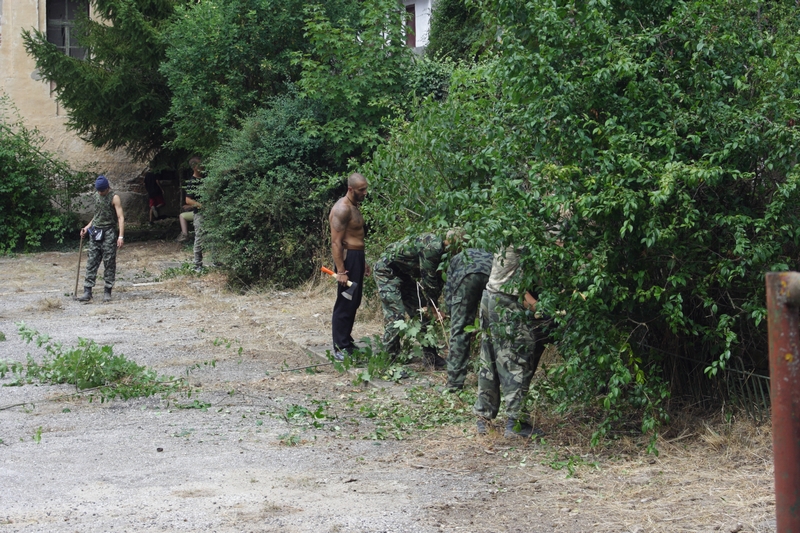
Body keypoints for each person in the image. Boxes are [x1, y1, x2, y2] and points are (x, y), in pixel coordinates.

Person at [473, 246, 552, 439]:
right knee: (516, 360)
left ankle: (483, 418)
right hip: (508, 301)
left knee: (489, 360)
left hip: (490, 295)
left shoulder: (510, 228)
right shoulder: (529, 238)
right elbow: (521, 290)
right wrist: (543, 309)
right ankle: (516, 424)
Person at [373, 232, 447, 368]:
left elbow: (439, 279)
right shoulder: (433, 247)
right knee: (396, 316)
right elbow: (429, 280)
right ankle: (389, 363)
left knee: (422, 311)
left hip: (404, 274)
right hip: (387, 271)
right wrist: (433, 307)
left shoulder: (446, 253)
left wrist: (432, 308)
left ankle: (431, 358)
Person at [329, 173, 370, 361]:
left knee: (354, 301)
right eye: (361, 190)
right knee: (345, 302)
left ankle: (346, 341)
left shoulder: (354, 207)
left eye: (366, 188)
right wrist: (341, 270)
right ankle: (339, 347)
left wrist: (363, 262)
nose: (365, 192)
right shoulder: (342, 209)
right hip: (347, 259)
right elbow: (336, 243)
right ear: (351, 189)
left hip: (356, 257)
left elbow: (357, 237)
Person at [444, 247, 493, 391]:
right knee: (492, 330)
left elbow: (449, 289)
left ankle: (454, 383)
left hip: (466, 279)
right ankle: (491, 382)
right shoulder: (490, 254)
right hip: (490, 277)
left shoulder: (457, 258)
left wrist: (452, 315)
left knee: (459, 332)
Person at [77, 175, 125, 303]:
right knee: (91, 261)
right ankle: (87, 291)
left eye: (102, 191)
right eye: (98, 191)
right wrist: (87, 228)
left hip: (109, 232)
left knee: (109, 262)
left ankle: (107, 291)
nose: (100, 193)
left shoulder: (114, 197)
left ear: (107, 188)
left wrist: (120, 236)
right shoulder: (97, 196)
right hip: (96, 232)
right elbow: (97, 215)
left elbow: (120, 217)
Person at [177, 156, 205, 272]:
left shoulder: (206, 178)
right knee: (199, 238)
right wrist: (200, 205)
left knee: (213, 237)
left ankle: (216, 261)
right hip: (199, 214)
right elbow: (188, 200)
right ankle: (197, 264)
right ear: (194, 167)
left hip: (209, 214)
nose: (202, 166)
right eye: (200, 165)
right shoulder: (192, 182)